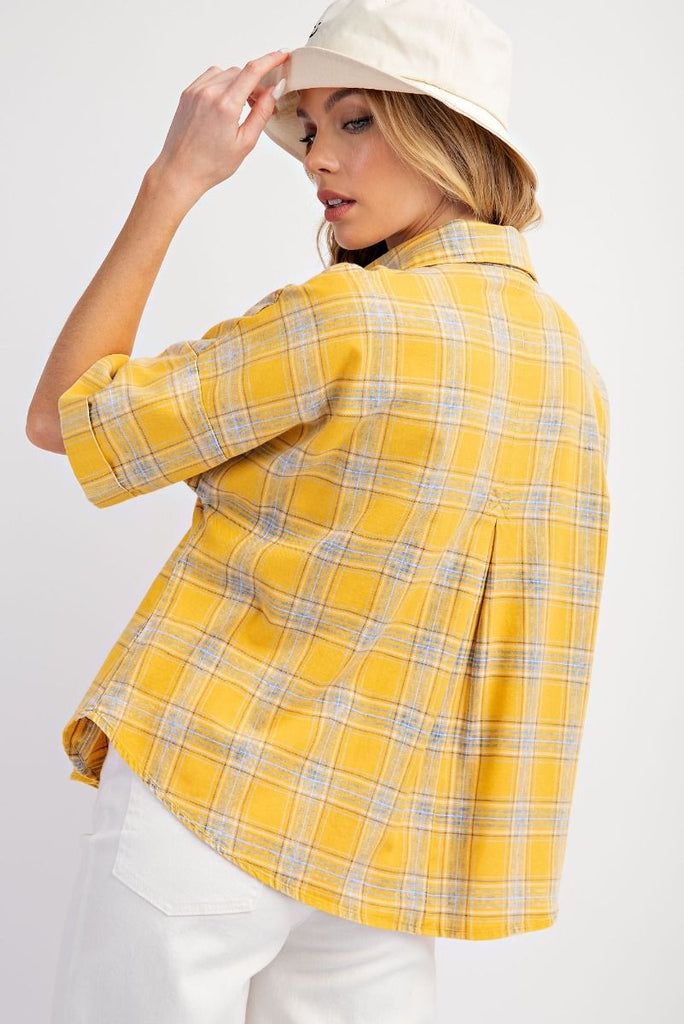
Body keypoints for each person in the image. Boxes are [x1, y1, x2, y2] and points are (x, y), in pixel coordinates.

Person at [27, 2, 611, 1022]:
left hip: (210, 800)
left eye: (356, 121)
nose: (316, 159)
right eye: (310, 127)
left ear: (448, 135)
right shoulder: (568, 363)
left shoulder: (349, 317)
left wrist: (172, 183)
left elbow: (66, 418)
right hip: (385, 846)